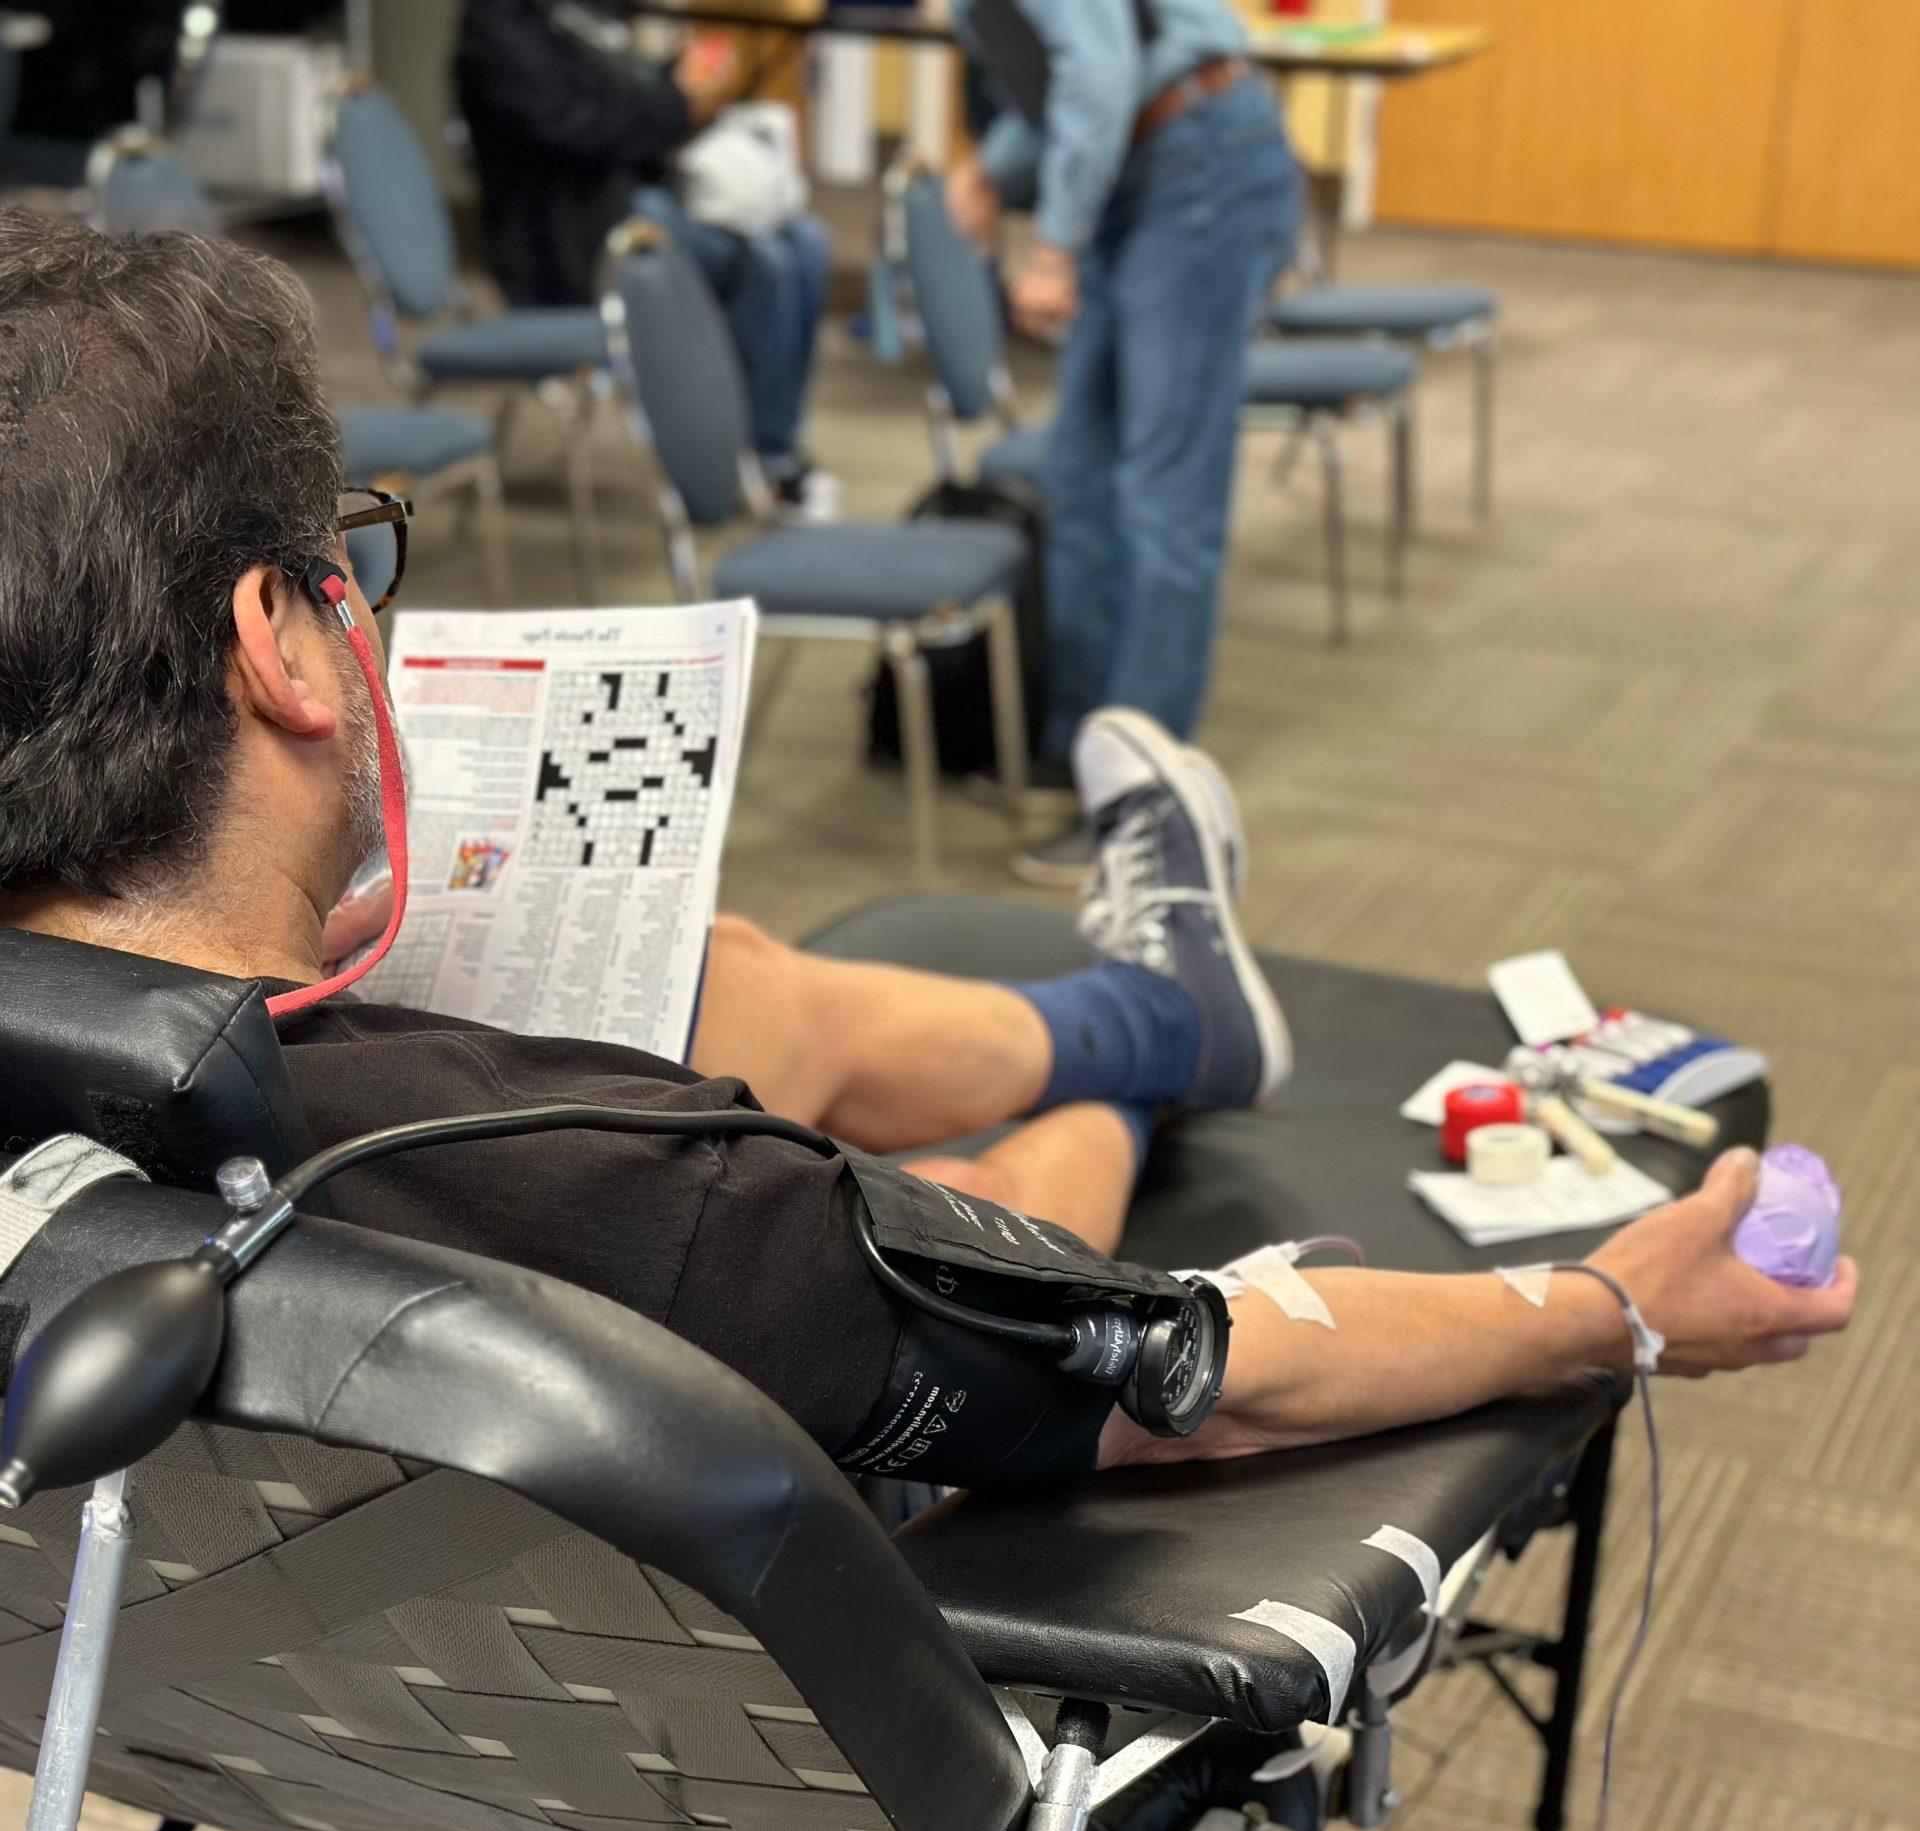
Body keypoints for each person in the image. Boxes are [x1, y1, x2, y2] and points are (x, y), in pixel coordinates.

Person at [0, 219, 1857, 1495]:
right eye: (354, 572)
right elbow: (1181, 1368)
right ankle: (1143, 1054)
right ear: (284, 647)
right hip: (732, 1411)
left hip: (270, 1626)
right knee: (1002, 1215)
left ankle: (1153, 1010)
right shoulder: (637, 1204)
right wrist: (1613, 1308)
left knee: (725, 979)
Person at [946, 0, 1301, 884]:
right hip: (1139, 162)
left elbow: (1100, 74)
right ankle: (1079, 751)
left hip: (1198, 164)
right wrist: (993, 170)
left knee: (1162, 499)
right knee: (1081, 482)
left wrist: (1055, 245)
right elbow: (1078, 83)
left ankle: (1145, 802)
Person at [456, 0, 835, 509]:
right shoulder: (498, 26)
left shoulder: (585, 15)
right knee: (766, 261)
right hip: (566, 243)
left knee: (805, 241)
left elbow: (623, 104)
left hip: (627, 207)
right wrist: (672, 100)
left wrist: (673, 81)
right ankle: (758, 460)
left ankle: (772, 447)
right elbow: (580, 128)